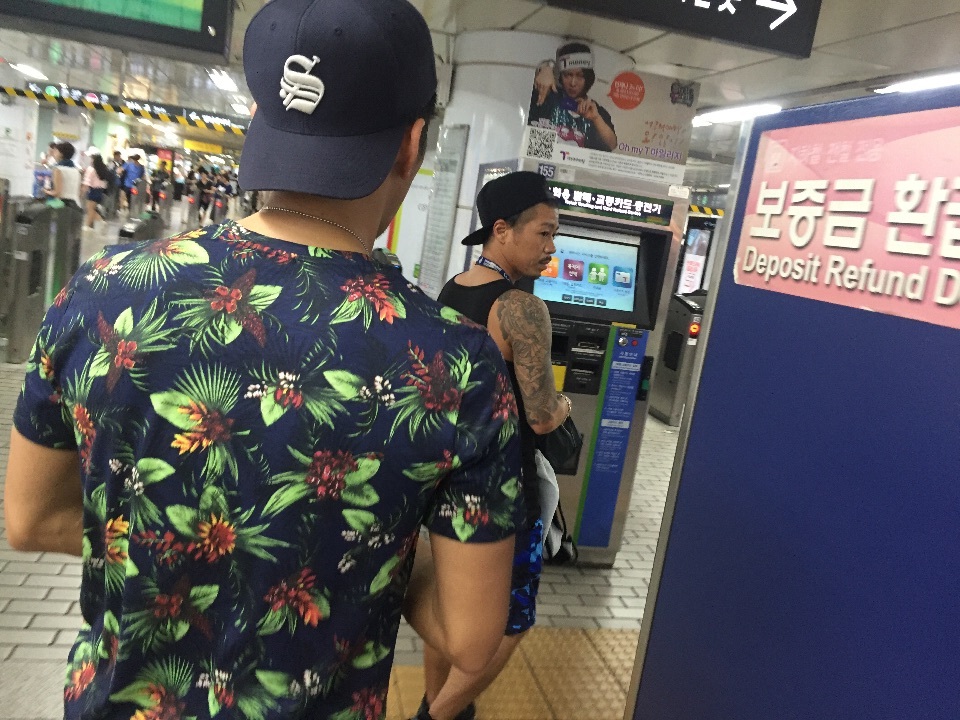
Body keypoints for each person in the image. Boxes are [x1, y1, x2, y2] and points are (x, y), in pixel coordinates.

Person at [3, 2, 523, 720]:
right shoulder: (457, 364)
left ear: (259, 117)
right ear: (411, 144)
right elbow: (470, 636)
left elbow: (29, 519)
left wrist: (176, 543)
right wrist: (363, 545)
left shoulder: (102, 292)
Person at [418, 172, 574, 720]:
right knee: (511, 620)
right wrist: (565, 405)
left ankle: (438, 703)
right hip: (505, 486)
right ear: (502, 229)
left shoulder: (453, 288)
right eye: (544, 232)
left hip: (447, 475)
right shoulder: (520, 308)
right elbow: (542, 415)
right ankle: (437, 715)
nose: (551, 247)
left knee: (452, 610)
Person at [528, 42, 618, 152]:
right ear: (560, 75)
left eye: (580, 76)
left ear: (588, 77)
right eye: (567, 75)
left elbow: (612, 144)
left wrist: (596, 118)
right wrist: (546, 68)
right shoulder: (546, 97)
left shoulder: (595, 111)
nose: (573, 83)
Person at [43, 141, 82, 206]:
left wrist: (45, 191)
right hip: (76, 204)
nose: (54, 154)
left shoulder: (58, 169)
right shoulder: (77, 170)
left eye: (56, 151)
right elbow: (79, 191)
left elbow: (57, 192)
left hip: (62, 204)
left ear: (61, 154)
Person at [80, 148, 111, 228]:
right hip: (100, 191)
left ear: (92, 158)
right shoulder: (102, 169)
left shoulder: (91, 169)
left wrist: (82, 192)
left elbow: (86, 182)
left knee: (90, 210)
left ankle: (90, 226)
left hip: (92, 191)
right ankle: (92, 225)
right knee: (93, 209)